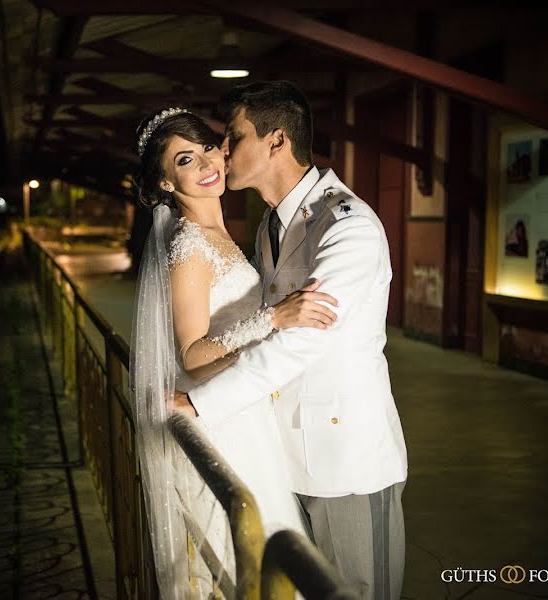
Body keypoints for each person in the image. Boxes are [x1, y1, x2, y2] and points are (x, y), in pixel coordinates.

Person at [170, 81, 409, 599]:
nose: (223, 152)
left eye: (234, 137)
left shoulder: (348, 226)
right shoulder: (270, 227)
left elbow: (304, 340)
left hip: (345, 459)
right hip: (285, 456)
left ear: (276, 140)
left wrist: (201, 403)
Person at [130, 107, 339, 598]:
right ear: (164, 182)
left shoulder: (221, 235)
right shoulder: (189, 247)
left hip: (246, 412)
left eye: (208, 147)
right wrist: (273, 318)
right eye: (185, 159)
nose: (207, 163)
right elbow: (193, 355)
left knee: (259, 554)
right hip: (225, 424)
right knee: (241, 553)